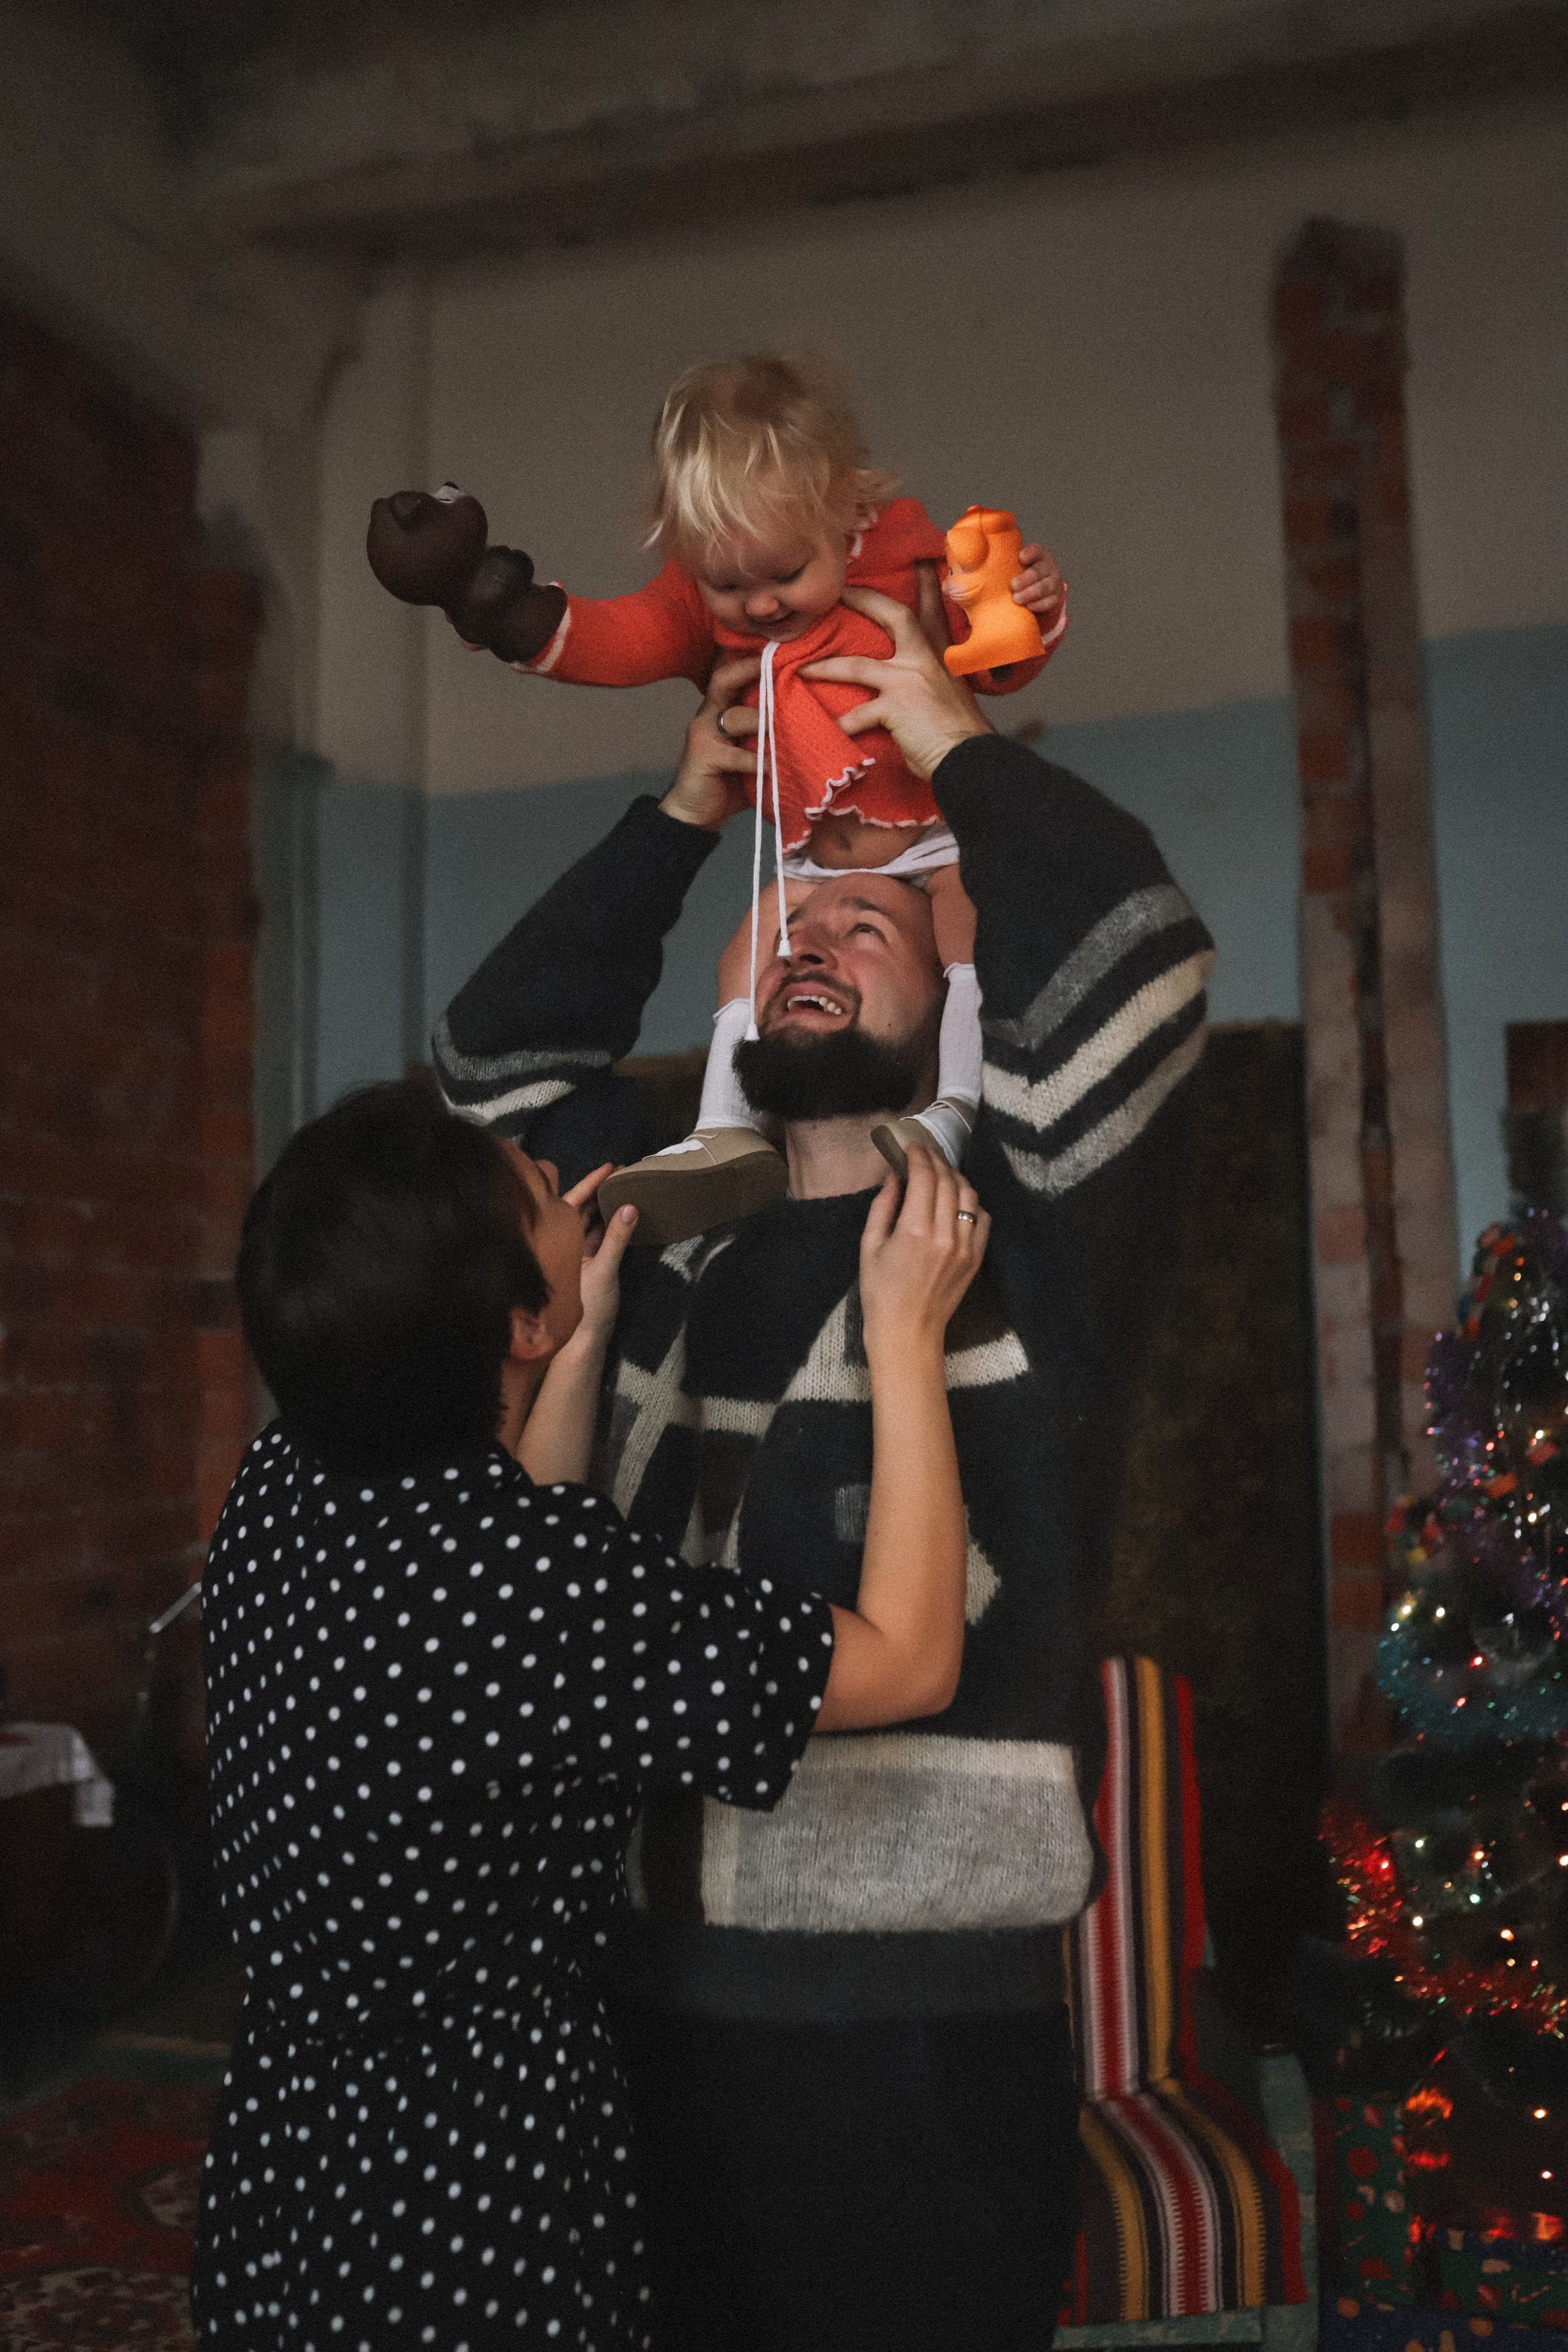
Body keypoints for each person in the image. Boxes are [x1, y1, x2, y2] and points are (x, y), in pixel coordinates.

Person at [431, 587, 1216, 2351]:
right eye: (785, 910)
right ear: (724, 989)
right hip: (631, 2002)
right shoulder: (624, 1236)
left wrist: (944, 736)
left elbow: (1142, 958)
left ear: (950, 1006)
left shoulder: (1021, 1228)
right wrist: (687, 815)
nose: (817, 929)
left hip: (925, 2043)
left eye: (873, 921)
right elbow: (491, 1071)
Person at [189, 1076, 989, 2350]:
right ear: (508, 1323)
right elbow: (905, 1663)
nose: (554, 1172)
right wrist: (901, 1332)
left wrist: (562, 1332)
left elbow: (509, 1632)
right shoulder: (524, 1585)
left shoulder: (290, 1472)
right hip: (463, 2190)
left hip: (291, 2149)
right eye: (529, 1193)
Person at [366, 350, 1068, 1239]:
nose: (761, 606)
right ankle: (723, 1128)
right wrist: (492, 605)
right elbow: (616, 640)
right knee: (754, 937)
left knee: (971, 915)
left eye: (783, 575)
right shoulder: (704, 609)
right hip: (808, 853)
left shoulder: (901, 561)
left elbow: (992, 648)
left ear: (848, 513)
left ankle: (957, 1106)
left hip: (936, 835)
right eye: (728, 585)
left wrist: (1024, 606)